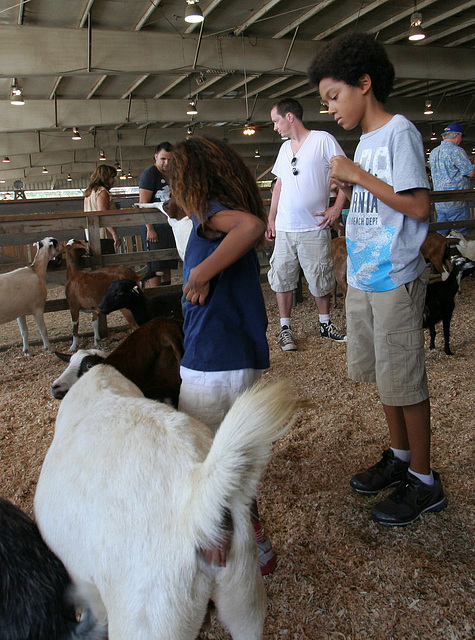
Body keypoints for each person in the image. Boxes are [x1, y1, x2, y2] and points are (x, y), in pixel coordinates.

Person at [308, 31, 447, 527]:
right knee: (386, 378)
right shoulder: (365, 142)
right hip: (366, 277)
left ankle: (425, 481)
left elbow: (417, 206)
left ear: (364, 83)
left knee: (406, 380)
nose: (329, 108)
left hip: (395, 277)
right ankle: (401, 457)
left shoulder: (400, 132)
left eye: (333, 96)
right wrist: (345, 191)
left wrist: (360, 177)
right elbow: (376, 203)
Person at [167, 135, 276, 575]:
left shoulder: (211, 214)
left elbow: (251, 225)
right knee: (236, 460)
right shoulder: (210, 217)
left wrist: (199, 272)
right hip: (238, 357)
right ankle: (258, 549)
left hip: (213, 359)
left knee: (205, 464)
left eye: (173, 180)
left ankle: (218, 566)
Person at [268, 98, 348, 352]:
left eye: (276, 121)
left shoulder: (323, 139)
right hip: (285, 226)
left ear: (290, 117)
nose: (275, 127)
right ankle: (285, 328)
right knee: (282, 276)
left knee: (320, 275)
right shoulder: (284, 150)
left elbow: (345, 174)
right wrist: (271, 217)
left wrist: (337, 208)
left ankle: (325, 323)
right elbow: (279, 184)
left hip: (314, 226)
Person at [139, 141, 178, 286]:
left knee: (167, 262)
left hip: (168, 224)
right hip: (154, 226)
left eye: (170, 159)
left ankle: (166, 291)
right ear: (156, 157)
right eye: (163, 159)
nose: (166, 163)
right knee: (155, 265)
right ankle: (155, 294)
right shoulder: (150, 174)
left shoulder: (173, 174)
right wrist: (150, 228)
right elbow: (143, 203)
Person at [429, 123, 475, 236]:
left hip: (440, 202)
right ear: (457, 135)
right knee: (461, 236)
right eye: (461, 137)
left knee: (441, 236)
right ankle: (458, 254)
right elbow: (471, 173)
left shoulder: (434, 152)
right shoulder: (456, 151)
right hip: (457, 201)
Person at [83, 164, 121, 254]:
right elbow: (103, 215)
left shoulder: (90, 192)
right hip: (103, 236)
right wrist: (114, 234)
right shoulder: (102, 192)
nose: (114, 180)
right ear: (105, 177)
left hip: (91, 235)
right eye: (112, 177)